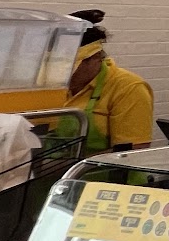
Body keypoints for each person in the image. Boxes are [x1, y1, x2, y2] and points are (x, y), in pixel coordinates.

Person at [62, 9, 155, 152]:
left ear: (96, 57)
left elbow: (132, 151)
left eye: (69, 67)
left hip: (99, 167)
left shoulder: (128, 87)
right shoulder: (50, 85)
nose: (61, 74)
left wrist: (77, 163)